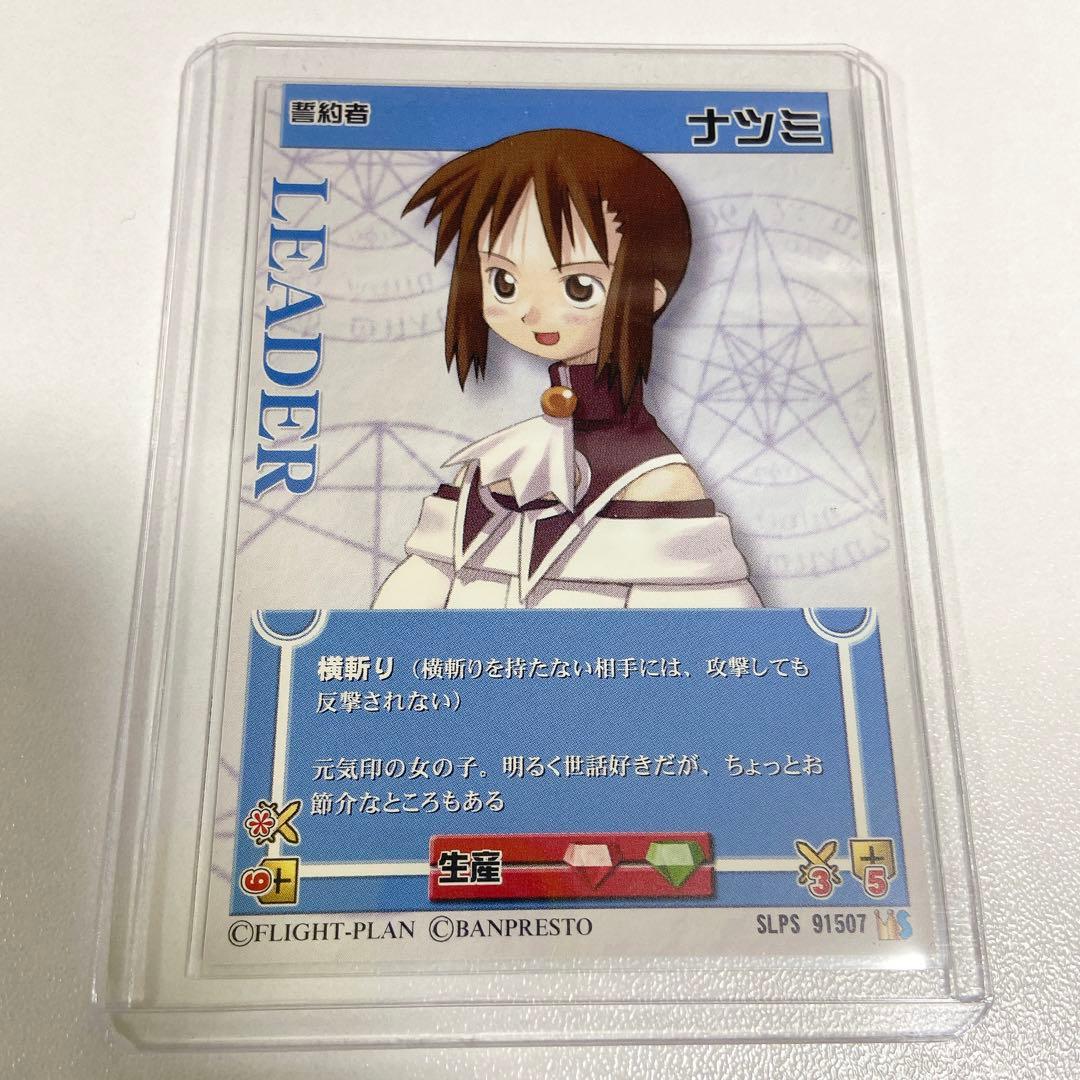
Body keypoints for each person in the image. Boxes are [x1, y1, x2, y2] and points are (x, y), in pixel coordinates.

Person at [372, 128, 761, 610]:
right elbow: (409, 605)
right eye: (503, 281)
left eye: (579, 287)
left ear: (649, 295)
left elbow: (712, 637)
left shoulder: (657, 481)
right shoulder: (493, 465)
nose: (532, 313)